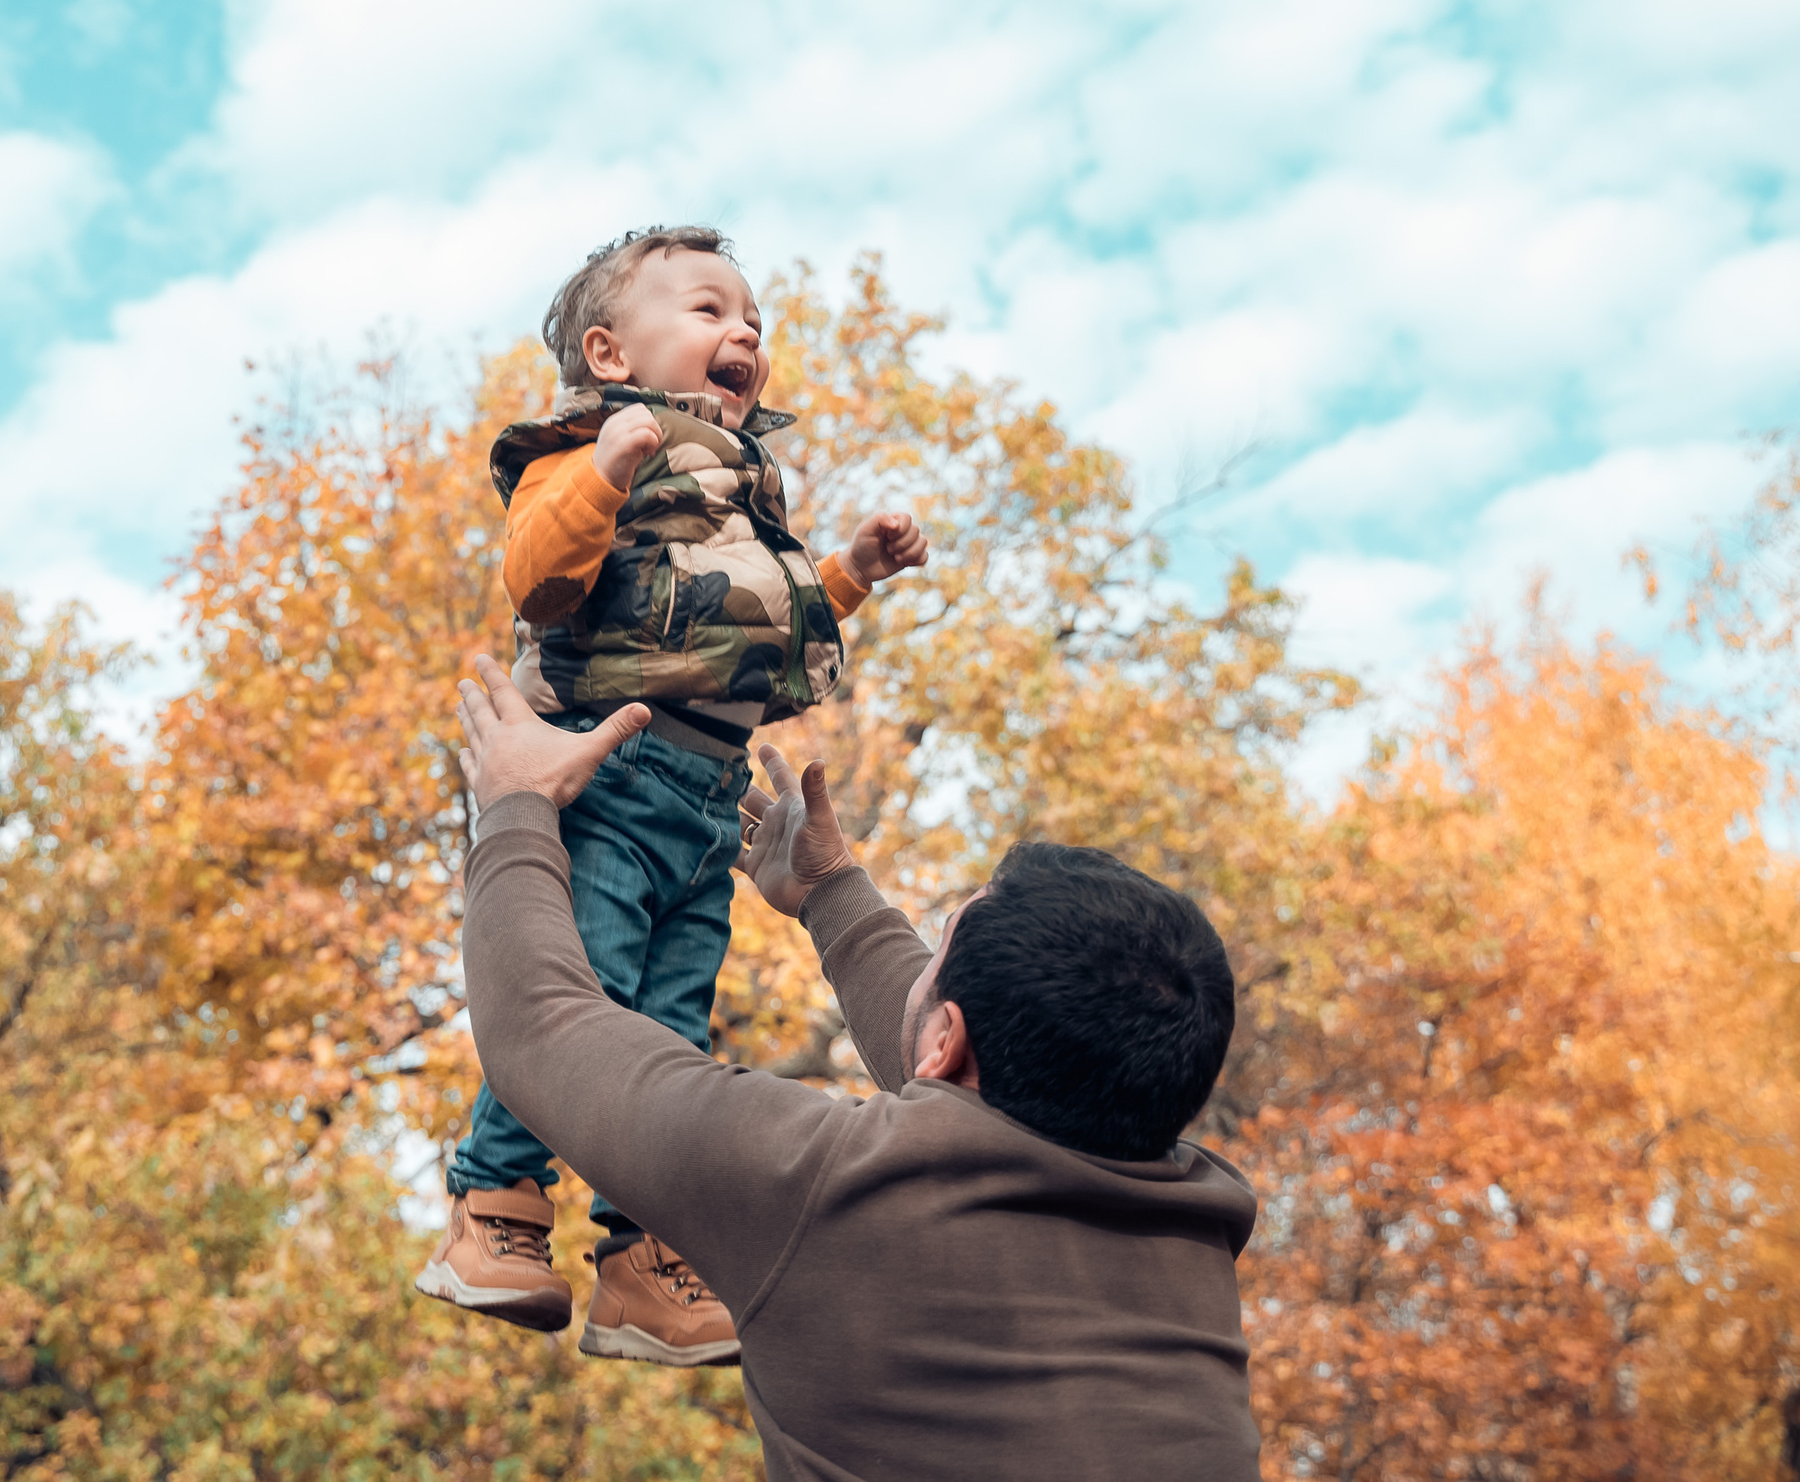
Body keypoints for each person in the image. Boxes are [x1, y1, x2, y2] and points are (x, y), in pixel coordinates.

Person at [450, 655, 1263, 1481]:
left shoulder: (821, 1188)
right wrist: (834, 891)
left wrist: (516, 804)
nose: (923, 949)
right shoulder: (1197, 1230)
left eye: (936, 942)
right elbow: (958, 1062)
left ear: (944, 1039)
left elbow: (540, 1025)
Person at [420, 226, 930, 1363]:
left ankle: (641, 1265)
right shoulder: (585, 452)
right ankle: (493, 1206)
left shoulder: (742, 495)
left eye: (752, 319)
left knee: (668, 1036)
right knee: (580, 999)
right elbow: (539, 577)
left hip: (703, 804)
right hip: (606, 770)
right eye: (708, 310)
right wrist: (606, 470)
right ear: (610, 354)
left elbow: (747, 629)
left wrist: (848, 571)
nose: (742, 331)